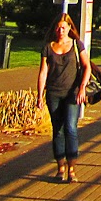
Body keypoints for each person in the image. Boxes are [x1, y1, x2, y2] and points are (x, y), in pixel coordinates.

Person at [35, 12, 92, 183]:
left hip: (72, 94)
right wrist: (39, 95)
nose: (61, 30)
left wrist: (82, 88)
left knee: (71, 128)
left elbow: (87, 66)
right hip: (54, 93)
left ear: (69, 28)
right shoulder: (48, 47)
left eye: (64, 27)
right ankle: (60, 168)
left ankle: (72, 169)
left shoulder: (76, 45)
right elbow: (43, 72)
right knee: (58, 130)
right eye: (58, 28)